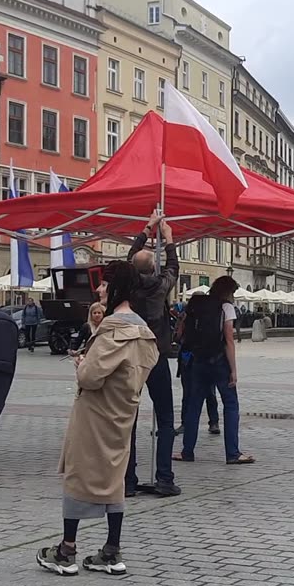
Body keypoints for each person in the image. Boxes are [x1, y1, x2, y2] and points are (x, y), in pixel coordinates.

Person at [36, 262, 159, 577]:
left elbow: (91, 377)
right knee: (114, 479)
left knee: (79, 475)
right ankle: (111, 550)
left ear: (115, 287)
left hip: (95, 415)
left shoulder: (113, 330)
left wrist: (81, 363)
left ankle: (66, 550)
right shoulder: (144, 332)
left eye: (104, 284)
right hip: (123, 413)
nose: (99, 289)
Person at [124, 212, 182, 497]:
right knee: (166, 419)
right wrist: (168, 238)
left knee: (128, 419)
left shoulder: (129, 285)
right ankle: (164, 478)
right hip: (156, 354)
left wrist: (146, 228)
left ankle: (128, 481)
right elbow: (174, 266)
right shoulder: (161, 286)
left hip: (132, 356)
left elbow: (130, 257)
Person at [176, 276, 255, 465]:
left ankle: (187, 451)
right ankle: (232, 453)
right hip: (219, 362)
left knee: (194, 406)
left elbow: (181, 331)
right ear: (228, 291)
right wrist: (233, 370)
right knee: (230, 405)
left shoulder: (196, 304)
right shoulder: (226, 307)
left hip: (198, 361)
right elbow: (229, 340)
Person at [175, 293, 220, 436]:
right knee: (189, 393)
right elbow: (177, 337)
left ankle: (213, 422)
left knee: (208, 393)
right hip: (189, 358)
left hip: (202, 358)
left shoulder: (209, 317)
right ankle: (187, 422)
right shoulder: (185, 317)